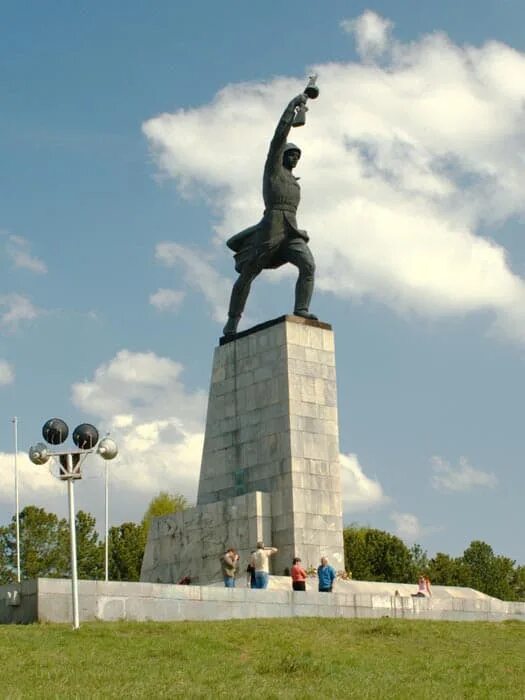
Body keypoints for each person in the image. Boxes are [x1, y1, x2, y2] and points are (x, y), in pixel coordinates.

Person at [223, 91, 317, 337]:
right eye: (291, 153)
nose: (295, 158)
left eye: (298, 155)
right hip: (272, 224)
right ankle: (232, 321)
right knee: (250, 272)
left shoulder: (294, 181)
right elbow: (279, 135)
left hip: (292, 228)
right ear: (282, 155)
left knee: (308, 265)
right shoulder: (273, 170)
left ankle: (302, 309)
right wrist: (294, 105)